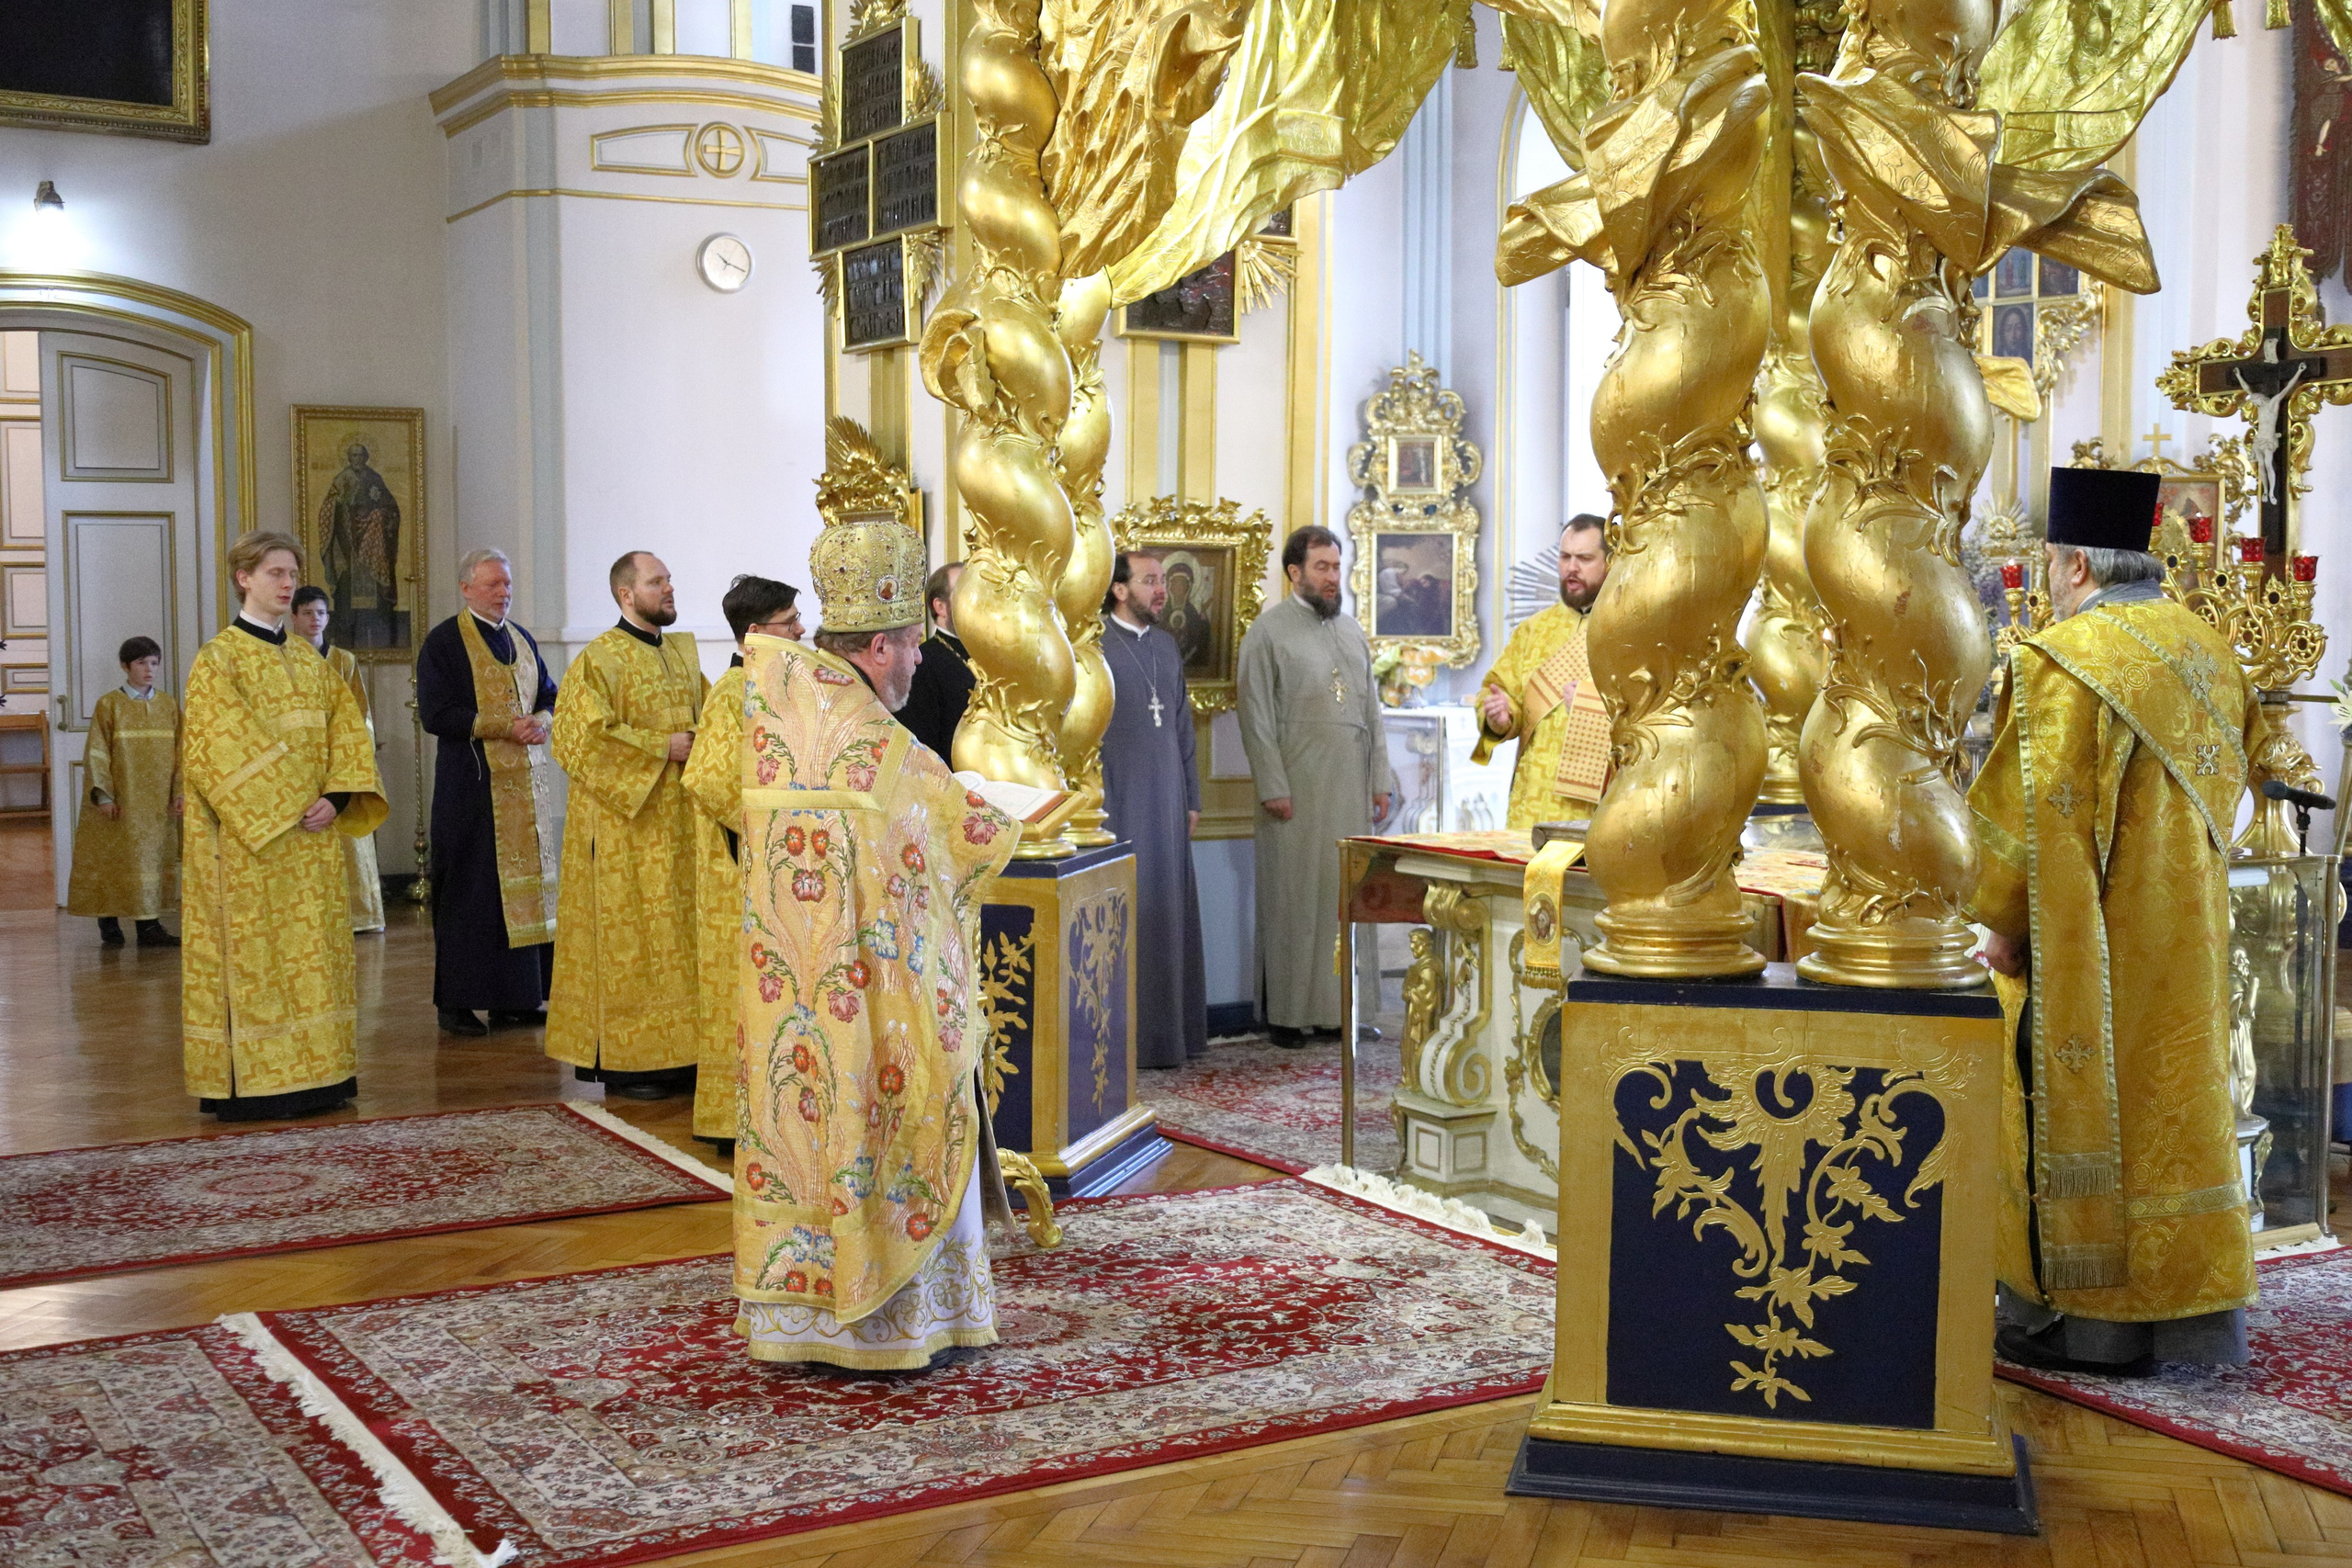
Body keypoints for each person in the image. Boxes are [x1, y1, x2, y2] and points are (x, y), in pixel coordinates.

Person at [1969, 466, 2269, 1376]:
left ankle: (2080, 1329)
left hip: (2086, 944)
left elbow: (2028, 822)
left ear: (2071, 567)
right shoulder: (2209, 652)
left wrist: (1999, 924)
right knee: (2175, 1114)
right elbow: (2248, 790)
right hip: (2184, 944)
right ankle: (2182, 1323)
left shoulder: (2059, 663)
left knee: (2074, 1113)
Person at [733, 513, 1019, 1369]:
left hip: (792, 993)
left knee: (807, 1118)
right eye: (912, 644)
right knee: (910, 1101)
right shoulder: (875, 739)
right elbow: (962, 830)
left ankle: (804, 1320)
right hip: (874, 985)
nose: (922, 659)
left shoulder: (780, 706)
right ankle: (906, 1320)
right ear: (879, 646)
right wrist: (1007, 813)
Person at [180, 530, 387, 1121]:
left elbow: (347, 731)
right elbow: (214, 746)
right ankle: (257, 1083)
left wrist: (338, 794)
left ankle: (321, 1075)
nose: (287, 582)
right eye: (274, 572)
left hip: (315, 837)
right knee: (258, 959)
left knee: (317, 956)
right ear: (244, 578)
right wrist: (286, 806)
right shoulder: (218, 658)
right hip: (252, 844)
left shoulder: (310, 659)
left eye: (292, 572)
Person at [548, 550, 709, 1100]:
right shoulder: (599, 660)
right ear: (625, 594)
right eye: (656, 580)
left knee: (681, 940)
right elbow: (577, 740)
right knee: (635, 946)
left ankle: (684, 1052)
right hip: (625, 834)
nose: (669, 587)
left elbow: (710, 721)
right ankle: (631, 1063)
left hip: (682, 829)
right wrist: (659, 747)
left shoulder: (684, 655)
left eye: (669, 578)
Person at [1237, 525, 1394, 1047]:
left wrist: (1380, 780)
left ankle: (1341, 1014)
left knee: (1346, 900)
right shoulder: (1267, 632)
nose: (1333, 577)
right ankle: (1287, 1015)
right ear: (1294, 572)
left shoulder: (1350, 631)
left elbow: (1371, 713)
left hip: (1350, 789)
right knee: (1296, 903)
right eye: (1322, 568)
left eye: (1336, 567)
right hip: (1295, 792)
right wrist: (1272, 785)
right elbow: (1256, 716)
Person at [415, 548, 560, 1037]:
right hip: (471, 789)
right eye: (494, 585)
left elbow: (548, 694)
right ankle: (455, 1003)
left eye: (508, 584)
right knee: (469, 894)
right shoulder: (444, 642)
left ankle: (515, 999)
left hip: (526, 789)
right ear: (467, 588)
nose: (504, 593)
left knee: (520, 897)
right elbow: (435, 714)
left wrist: (541, 721)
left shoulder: (520, 638)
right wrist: (504, 726)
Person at [684, 573, 804, 1154]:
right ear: (755, 632)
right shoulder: (734, 692)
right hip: (746, 870)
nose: (801, 632)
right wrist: (776, 831)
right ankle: (736, 1121)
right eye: (789, 623)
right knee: (744, 995)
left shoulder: (781, 683)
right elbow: (708, 779)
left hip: (781, 865)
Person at [1100, 550, 1207, 1067]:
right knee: (1131, 910)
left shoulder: (1166, 646)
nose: (1160, 589)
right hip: (1118, 797)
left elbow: (1183, 727)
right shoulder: (1092, 645)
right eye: (1149, 581)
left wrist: (1193, 796)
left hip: (1168, 798)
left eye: (1163, 580)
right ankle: (1126, 1043)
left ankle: (1171, 1038)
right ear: (1120, 590)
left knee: (1169, 909)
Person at [1473, 514, 1614, 829]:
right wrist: (1500, 717)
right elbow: (1499, 691)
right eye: (1565, 557)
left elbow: (1650, 710)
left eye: (1584, 558)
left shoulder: (1629, 632)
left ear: (1611, 561)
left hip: (1598, 806)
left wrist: (1590, 703)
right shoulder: (1532, 631)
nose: (1571, 568)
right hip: (1532, 798)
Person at [64, 635, 182, 948]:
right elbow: (97, 754)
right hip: (121, 801)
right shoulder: (109, 705)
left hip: (158, 803)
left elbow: (184, 752)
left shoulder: (168, 705)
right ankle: (109, 920)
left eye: (154, 663)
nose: (149, 669)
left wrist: (180, 791)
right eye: (141, 662)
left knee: (152, 861)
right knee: (115, 859)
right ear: (125, 666)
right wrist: (103, 795)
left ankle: (149, 927)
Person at [290, 586, 386, 933]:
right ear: (294, 618)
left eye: (320, 613)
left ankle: (358, 914)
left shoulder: (343, 660)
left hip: (339, 759)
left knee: (348, 835)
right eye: (307, 613)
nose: (314, 619)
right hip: (299, 763)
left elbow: (361, 714)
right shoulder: (281, 657)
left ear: (328, 618)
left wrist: (358, 754)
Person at [897, 561, 976, 761]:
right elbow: (922, 745)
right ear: (940, 606)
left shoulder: (991, 655)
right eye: (966, 592)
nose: (977, 601)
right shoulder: (921, 664)